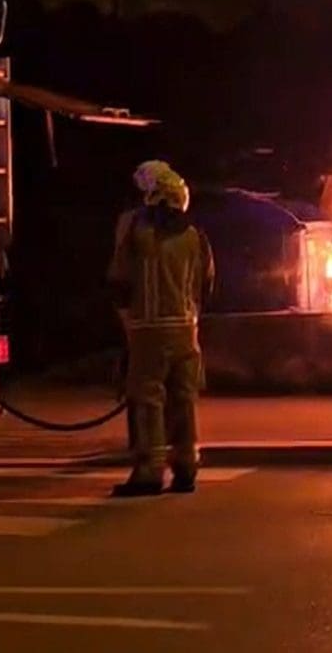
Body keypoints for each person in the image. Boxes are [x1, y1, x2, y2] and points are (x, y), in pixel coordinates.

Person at [107, 161, 214, 497]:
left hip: (146, 331)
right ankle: (186, 466)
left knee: (147, 399)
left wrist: (126, 323)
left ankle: (149, 472)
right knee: (184, 399)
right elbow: (207, 283)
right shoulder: (195, 235)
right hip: (186, 330)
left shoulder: (136, 231)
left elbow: (119, 281)